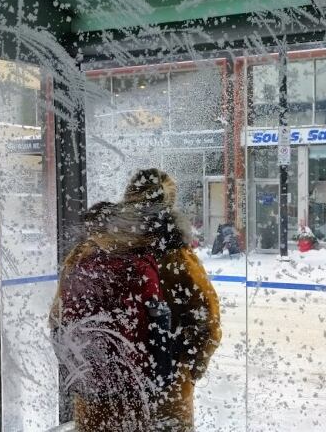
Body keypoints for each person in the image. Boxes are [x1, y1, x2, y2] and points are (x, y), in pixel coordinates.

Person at [50, 201, 170, 431]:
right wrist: (159, 374)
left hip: (92, 380)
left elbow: (60, 322)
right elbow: (158, 321)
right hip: (132, 380)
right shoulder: (139, 265)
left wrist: (73, 372)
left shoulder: (80, 264)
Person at [121, 168, 222, 431]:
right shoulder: (177, 259)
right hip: (166, 390)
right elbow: (208, 321)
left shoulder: (98, 249)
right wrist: (190, 369)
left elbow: (61, 315)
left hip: (107, 391)